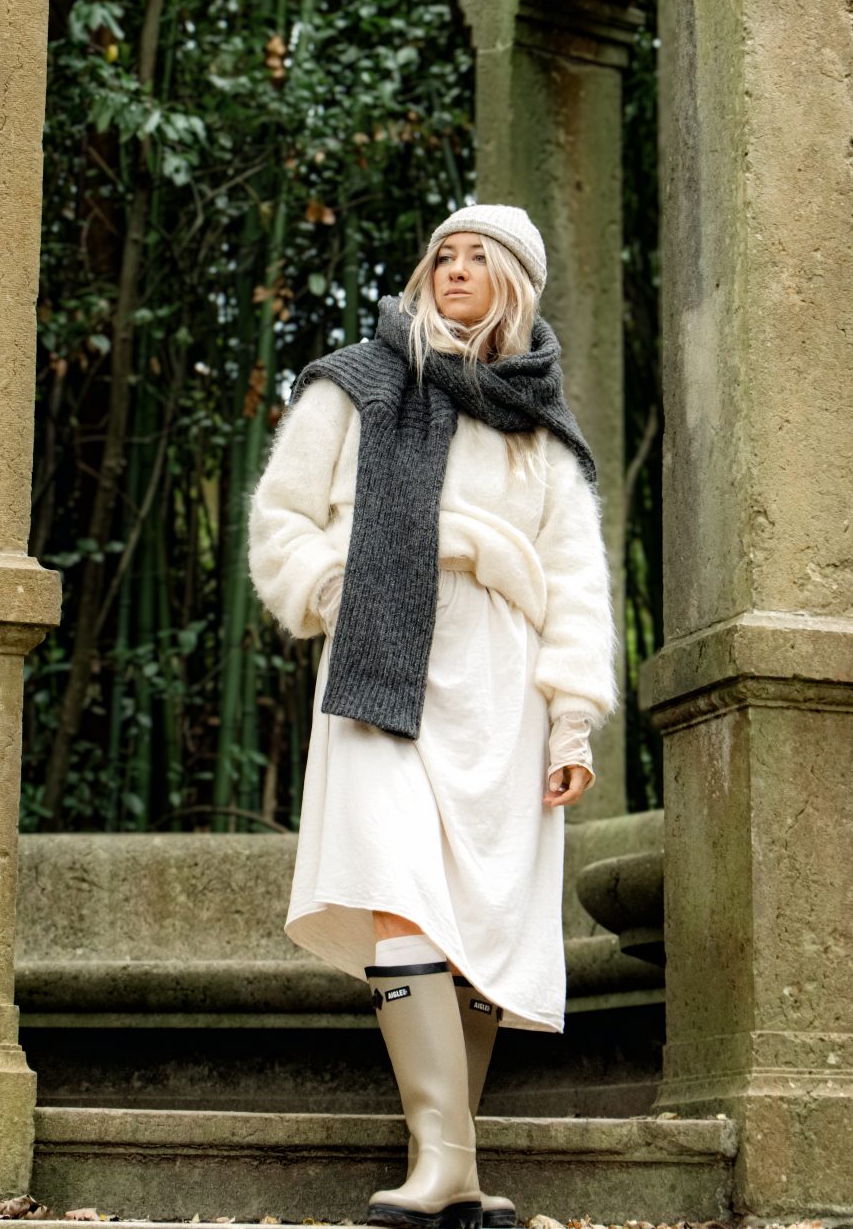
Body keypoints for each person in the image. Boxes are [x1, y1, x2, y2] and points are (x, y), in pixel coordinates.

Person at [247, 203, 617, 1229]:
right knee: (396, 886)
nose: (453, 270)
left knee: (479, 911)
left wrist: (571, 719)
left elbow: (576, 583)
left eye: (477, 258)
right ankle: (442, 1159)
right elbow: (282, 517)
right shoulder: (354, 381)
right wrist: (337, 590)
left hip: (499, 675)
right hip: (380, 655)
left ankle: (450, 1166)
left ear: (514, 283)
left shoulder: (539, 427)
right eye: (440, 256)